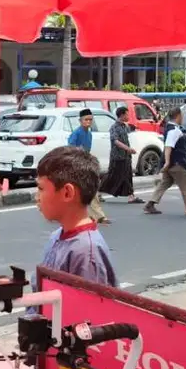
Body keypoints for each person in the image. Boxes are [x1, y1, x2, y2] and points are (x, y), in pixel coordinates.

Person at [28, 146, 118, 314]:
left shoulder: (86, 252)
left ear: (67, 193)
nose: (37, 196)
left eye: (41, 189)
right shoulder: (58, 235)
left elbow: (89, 318)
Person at [144, 107, 186, 216]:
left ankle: (151, 203)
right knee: (185, 185)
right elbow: (168, 146)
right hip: (176, 163)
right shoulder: (174, 130)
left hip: (171, 163)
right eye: (182, 115)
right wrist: (167, 162)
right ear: (178, 116)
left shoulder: (169, 128)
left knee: (165, 183)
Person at [66, 109, 109, 224]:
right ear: (80, 121)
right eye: (86, 119)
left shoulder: (89, 134)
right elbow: (70, 149)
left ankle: (98, 216)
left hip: (85, 165)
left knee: (91, 189)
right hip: (76, 165)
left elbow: (87, 151)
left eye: (90, 119)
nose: (88, 122)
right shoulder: (76, 133)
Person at [99, 107, 144, 204]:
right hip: (117, 157)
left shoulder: (124, 126)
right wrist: (128, 149)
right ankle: (98, 193)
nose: (128, 116)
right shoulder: (114, 127)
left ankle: (131, 196)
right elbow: (115, 141)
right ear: (122, 115)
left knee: (127, 175)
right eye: (127, 114)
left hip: (126, 156)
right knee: (112, 176)